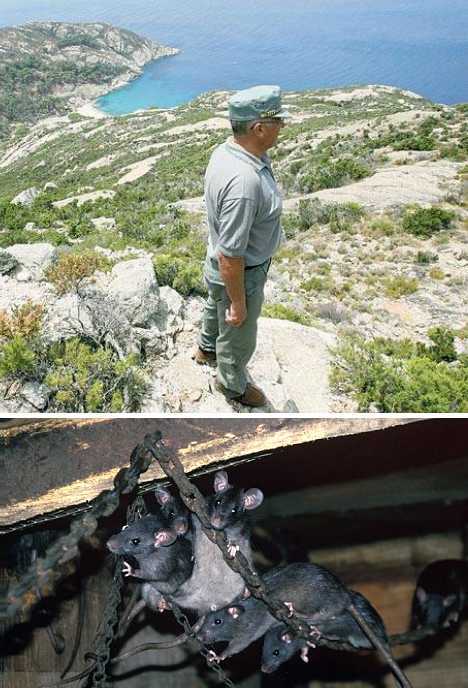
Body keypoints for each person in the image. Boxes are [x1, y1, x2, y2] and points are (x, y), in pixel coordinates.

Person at [195, 85, 289, 407]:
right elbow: (232, 256)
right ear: (258, 128)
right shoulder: (245, 182)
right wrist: (238, 303)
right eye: (278, 121)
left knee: (214, 303)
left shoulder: (227, 151)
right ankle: (232, 384)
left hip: (219, 268)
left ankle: (206, 349)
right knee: (239, 333)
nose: (283, 126)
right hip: (240, 274)